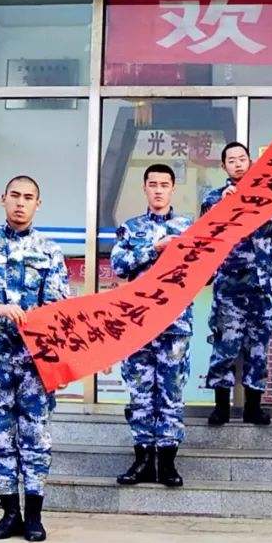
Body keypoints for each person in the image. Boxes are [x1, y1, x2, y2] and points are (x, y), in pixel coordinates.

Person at [0, 175, 71, 542]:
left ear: (38, 204)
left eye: (29, 197)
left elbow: (60, 304)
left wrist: (56, 352)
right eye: (15, 196)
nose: (21, 203)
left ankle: (34, 516)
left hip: (35, 362)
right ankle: (9, 513)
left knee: (36, 436)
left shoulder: (49, 250)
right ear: (2, 198)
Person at [111, 164, 194, 488]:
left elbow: (207, 272)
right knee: (141, 394)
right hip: (138, 324)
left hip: (174, 325)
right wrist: (153, 249)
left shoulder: (188, 228)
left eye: (164, 184)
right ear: (145, 188)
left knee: (171, 393)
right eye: (153, 184)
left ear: (173, 188)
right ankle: (143, 460)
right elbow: (119, 265)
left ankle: (168, 462)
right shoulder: (131, 228)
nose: (158, 190)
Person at [201, 141, 272, 427]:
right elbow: (206, 232)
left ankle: (253, 407)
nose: (238, 164)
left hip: (262, 283)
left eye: (242, 159)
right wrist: (224, 205)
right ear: (223, 166)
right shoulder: (214, 198)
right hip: (230, 285)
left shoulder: (269, 192)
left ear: (250, 162)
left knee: (258, 347)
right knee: (225, 345)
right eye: (232, 160)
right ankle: (221, 408)